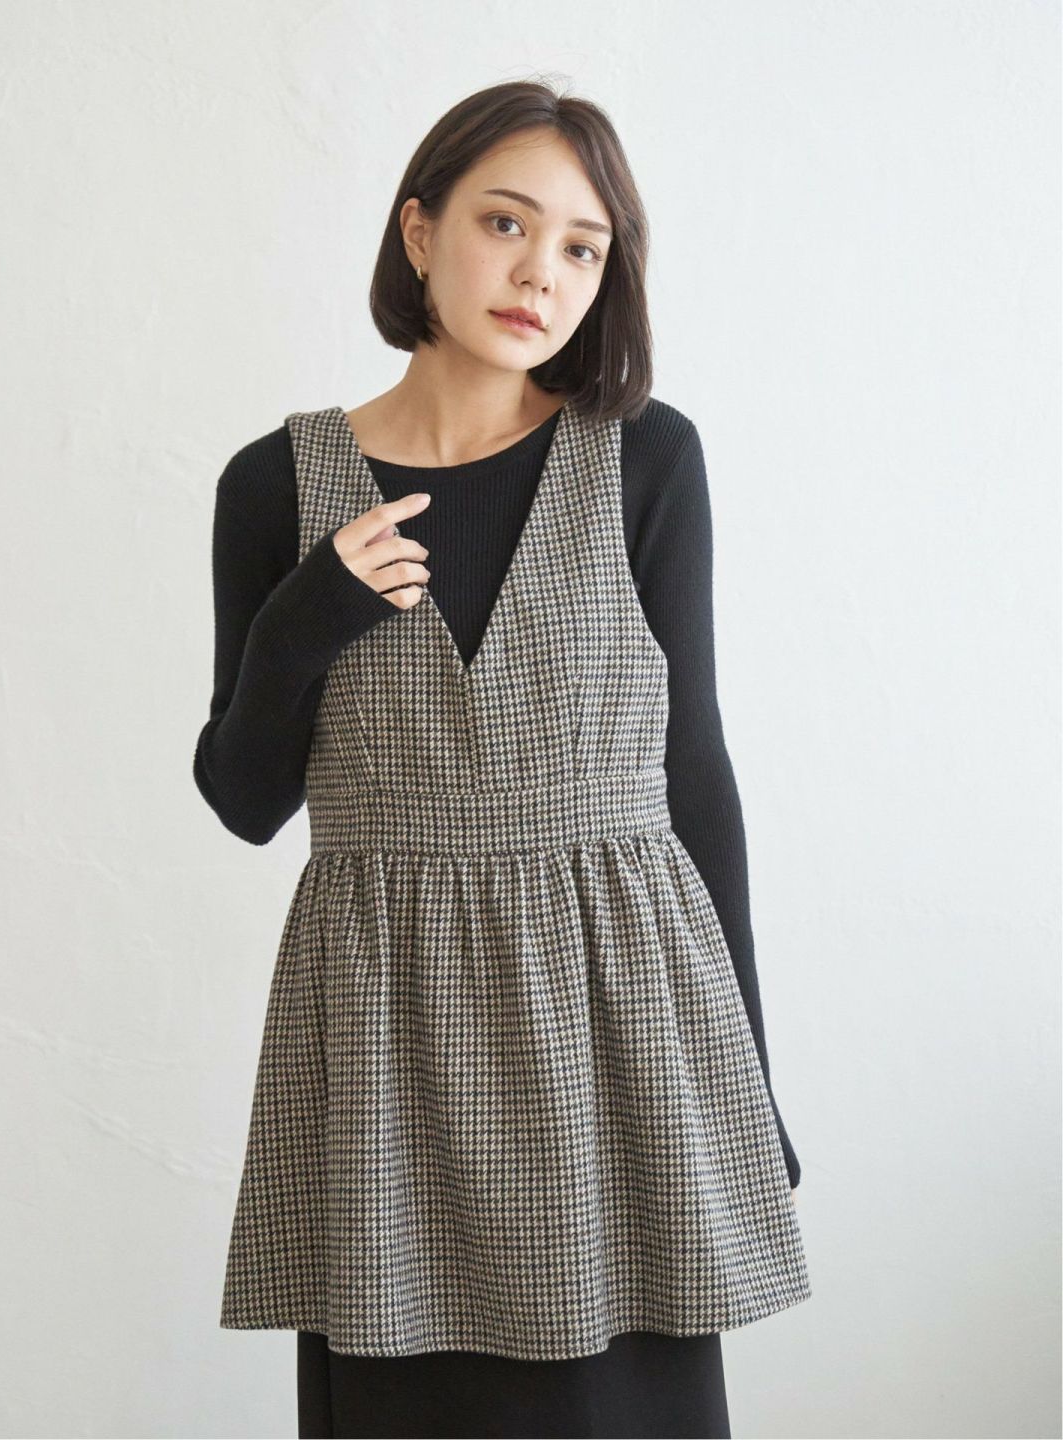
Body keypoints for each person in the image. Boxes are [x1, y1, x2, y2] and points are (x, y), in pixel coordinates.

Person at [194, 78, 811, 1440]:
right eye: (507, 223)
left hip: (620, 1040)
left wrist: (749, 1077)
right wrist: (306, 617)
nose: (543, 274)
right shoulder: (272, 485)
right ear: (419, 232)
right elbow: (243, 799)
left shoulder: (647, 458)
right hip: (385, 1052)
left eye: (584, 247)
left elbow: (696, 776)